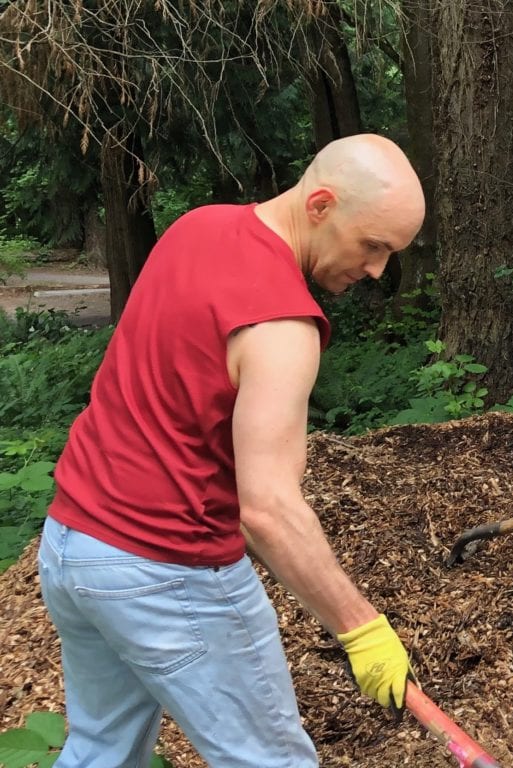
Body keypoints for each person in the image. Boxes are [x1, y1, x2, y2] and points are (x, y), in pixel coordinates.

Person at [36, 134, 426, 767]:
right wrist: (363, 629)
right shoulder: (282, 326)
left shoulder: (200, 226)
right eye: (373, 245)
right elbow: (267, 508)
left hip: (73, 549)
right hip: (167, 569)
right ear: (321, 205)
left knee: (100, 750)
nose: (379, 269)